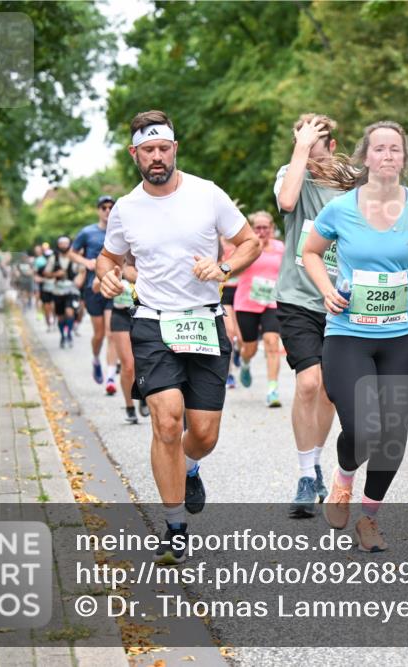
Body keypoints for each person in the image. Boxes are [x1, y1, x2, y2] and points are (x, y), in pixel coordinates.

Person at [97, 110, 260, 564]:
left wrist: (224, 267)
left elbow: (250, 242)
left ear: (175, 149)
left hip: (205, 321)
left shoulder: (207, 195)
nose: (156, 157)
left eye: (163, 148)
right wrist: (108, 277)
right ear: (134, 154)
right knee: (167, 420)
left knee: (203, 433)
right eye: (147, 150)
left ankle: (191, 465)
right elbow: (108, 259)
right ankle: (174, 526)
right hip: (152, 323)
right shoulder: (127, 208)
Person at [302, 120, 408, 552]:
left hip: (401, 334)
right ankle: (343, 479)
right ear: (365, 157)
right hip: (348, 332)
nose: (388, 156)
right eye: (379, 149)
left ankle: (369, 517)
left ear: (404, 158)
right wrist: (327, 289)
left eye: (395, 150)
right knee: (361, 425)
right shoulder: (341, 208)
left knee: (394, 431)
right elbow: (311, 252)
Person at [274, 113, 356, 518]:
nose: (309, 141)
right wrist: (301, 149)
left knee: (327, 389)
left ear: (334, 144)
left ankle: (317, 461)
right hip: (297, 297)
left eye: (319, 136)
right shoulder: (291, 174)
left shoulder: (353, 187)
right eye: (303, 136)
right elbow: (287, 203)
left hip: (340, 300)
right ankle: (306, 476)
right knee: (308, 382)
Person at [234, 211, 286, 407]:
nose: (262, 231)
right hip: (247, 302)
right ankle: (245, 363)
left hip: (272, 302)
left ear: (272, 229)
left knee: (272, 342)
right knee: (250, 347)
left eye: (265, 228)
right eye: (258, 228)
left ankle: (272, 390)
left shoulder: (281, 248)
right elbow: (234, 270)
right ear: (252, 229)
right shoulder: (245, 248)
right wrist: (252, 253)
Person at [72, 196, 120, 395]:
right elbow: (72, 252)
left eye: (111, 207)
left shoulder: (120, 231)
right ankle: (95, 359)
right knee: (99, 334)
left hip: (113, 287)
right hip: (93, 288)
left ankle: (110, 376)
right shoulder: (87, 232)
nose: (108, 211)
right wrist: (86, 263)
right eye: (104, 207)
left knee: (111, 333)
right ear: (98, 210)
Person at [101, 255, 148, 424]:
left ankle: (143, 395)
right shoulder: (115, 261)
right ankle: (129, 406)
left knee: (143, 363)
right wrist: (111, 281)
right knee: (128, 366)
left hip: (145, 314)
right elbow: (97, 284)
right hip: (121, 316)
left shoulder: (148, 259)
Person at [46, 236, 82, 347]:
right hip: (58, 290)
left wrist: (80, 277)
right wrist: (55, 274)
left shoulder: (75, 257)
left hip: (71, 289)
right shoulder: (53, 258)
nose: (64, 245)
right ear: (58, 245)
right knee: (60, 316)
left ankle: (69, 333)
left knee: (69, 312)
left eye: (66, 243)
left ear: (69, 244)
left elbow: (81, 270)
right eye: (61, 243)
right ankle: (62, 336)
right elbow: (46, 273)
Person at [219, 237, 241, 389]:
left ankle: (240, 353)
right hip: (224, 290)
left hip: (243, 291)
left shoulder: (242, 239)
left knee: (243, 338)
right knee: (230, 332)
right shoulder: (215, 239)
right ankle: (229, 373)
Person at [34, 245, 55, 331]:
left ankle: (54, 321)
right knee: (46, 305)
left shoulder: (56, 264)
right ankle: (48, 324)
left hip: (55, 287)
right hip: (44, 287)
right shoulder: (40, 263)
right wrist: (41, 279)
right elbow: (36, 275)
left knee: (54, 305)